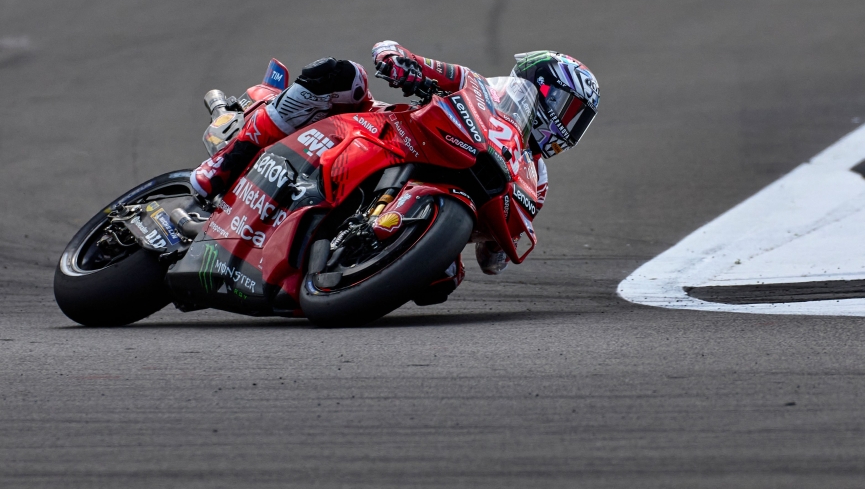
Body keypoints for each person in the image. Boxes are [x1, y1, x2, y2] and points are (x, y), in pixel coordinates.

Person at [189, 42, 600, 302]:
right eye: (567, 109)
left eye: (578, 119)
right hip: (388, 132)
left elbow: (493, 257)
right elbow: (419, 62)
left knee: (442, 281)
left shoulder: (536, 178)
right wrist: (400, 62)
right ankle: (222, 165)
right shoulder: (477, 87)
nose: (568, 124)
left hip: (436, 200)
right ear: (538, 87)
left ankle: (341, 262)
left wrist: (495, 244)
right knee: (342, 75)